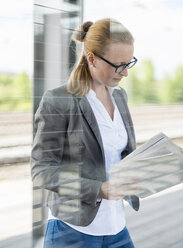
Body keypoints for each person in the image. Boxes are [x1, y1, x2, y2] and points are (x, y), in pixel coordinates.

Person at [31, 18, 140, 248]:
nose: (125, 73)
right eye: (118, 65)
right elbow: (41, 171)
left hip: (116, 227)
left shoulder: (119, 97)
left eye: (128, 64)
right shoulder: (58, 100)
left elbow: (119, 156)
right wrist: (98, 189)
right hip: (72, 231)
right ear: (91, 58)